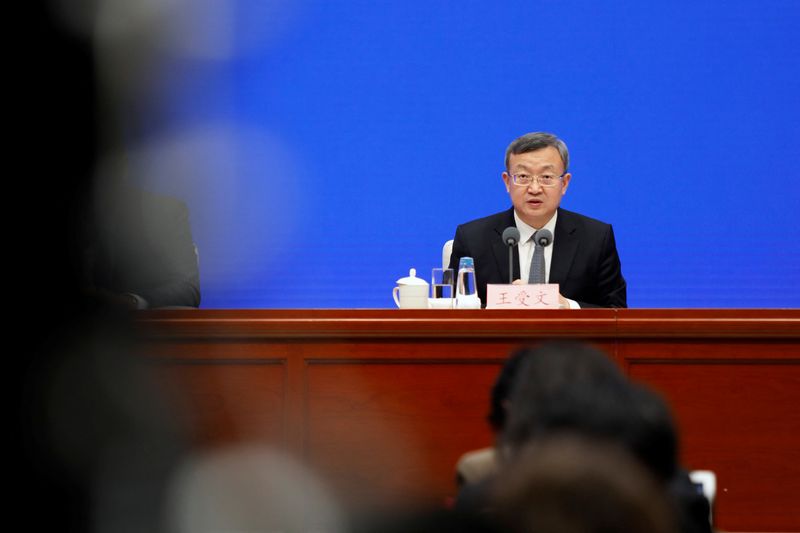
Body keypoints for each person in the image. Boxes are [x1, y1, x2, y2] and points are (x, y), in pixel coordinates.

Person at [448, 132, 626, 308]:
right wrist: (496, 310)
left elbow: (617, 312)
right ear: (507, 182)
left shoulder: (596, 238)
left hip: (568, 337)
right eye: (523, 177)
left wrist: (568, 306)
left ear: (564, 183)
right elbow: (452, 312)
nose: (534, 188)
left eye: (546, 177)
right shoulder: (472, 238)